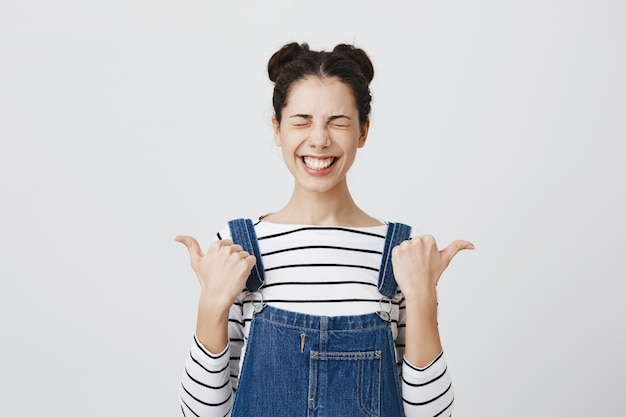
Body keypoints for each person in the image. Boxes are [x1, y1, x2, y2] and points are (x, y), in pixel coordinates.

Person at [175, 41, 474, 417]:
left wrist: (423, 300)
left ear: (363, 131)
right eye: (301, 121)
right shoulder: (237, 247)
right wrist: (211, 307)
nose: (318, 139)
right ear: (277, 129)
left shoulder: (401, 255)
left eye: (338, 121)